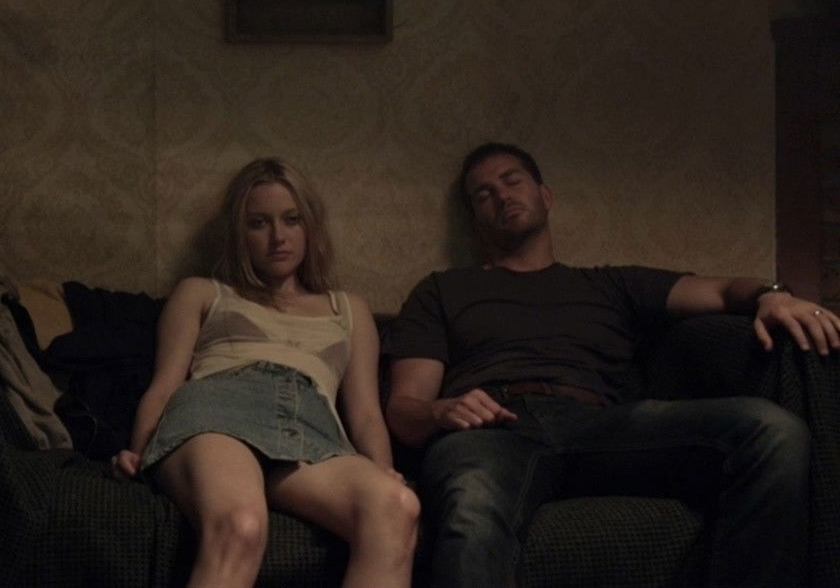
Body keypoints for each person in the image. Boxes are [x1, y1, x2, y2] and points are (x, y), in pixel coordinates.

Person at [383, 142, 837, 588]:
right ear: (475, 218)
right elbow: (404, 411)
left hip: (602, 425)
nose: (501, 195)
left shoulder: (608, 284)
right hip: (492, 430)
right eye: (484, 194)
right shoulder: (442, 290)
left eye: (511, 181)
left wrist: (771, 296)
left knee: (773, 432)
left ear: (545, 195)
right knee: (472, 505)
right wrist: (440, 410)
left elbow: (720, 291)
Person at [112, 157, 419, 588]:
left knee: (397, 506)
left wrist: (383, 468)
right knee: (241, 525)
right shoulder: (203, 293)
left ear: (310, 226)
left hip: (311, 432)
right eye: (259, 224)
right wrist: (139, 451)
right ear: (240, 234)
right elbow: (165, 385)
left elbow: (366, 414)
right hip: (218, 414)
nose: (278, 237)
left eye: (292, 220)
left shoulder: (350, 309)